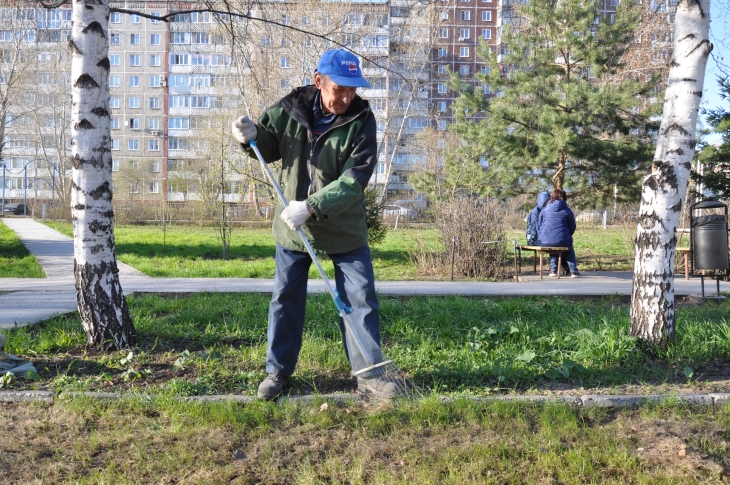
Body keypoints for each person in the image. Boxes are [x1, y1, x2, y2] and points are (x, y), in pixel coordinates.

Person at [231, 48, 400, 400]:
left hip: (343, 229)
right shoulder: (289, 109)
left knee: (359, 300)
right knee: (285, 300)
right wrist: (249, 137)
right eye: (340, 88)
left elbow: (354, 180)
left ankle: (370, 376)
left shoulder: (362, 120)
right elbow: (268, 144)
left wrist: (311, 206)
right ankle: (276, 373)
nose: (347, 96)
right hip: (294, 233)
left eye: (353, 89)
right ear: (318, 80)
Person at [537, 189, 581, 277]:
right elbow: (572, 226)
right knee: (568, 247)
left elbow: (539, 225)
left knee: (552, 243)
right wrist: (567, 235)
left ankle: (553, 270)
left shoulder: (544, 210)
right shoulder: (567, 210)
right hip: (563, 240)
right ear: (564, 198)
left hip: (544, 241)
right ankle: (573, 270)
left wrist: (543, 236)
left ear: (552, 197)